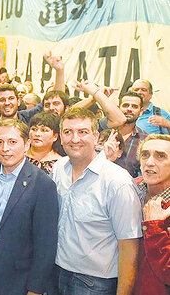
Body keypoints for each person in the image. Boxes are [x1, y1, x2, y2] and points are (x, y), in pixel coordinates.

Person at [50, 108, 142, 295]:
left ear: (96, 135)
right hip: (57, 271)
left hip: (95, 283)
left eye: (83, 132)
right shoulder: (58, 168)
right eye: (68, 132)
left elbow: (129, 246)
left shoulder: (117, 182)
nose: (75, 139)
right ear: (60, 137)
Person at [0, 118, 59, 295]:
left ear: (26, 144)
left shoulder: (42, 185)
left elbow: (45, 244)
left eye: (12, 142)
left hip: (20, 278)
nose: (5, 148)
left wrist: (36, 288)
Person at [133, 134, 170, 295]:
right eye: (145, 154)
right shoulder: (130, 187)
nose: (149, 162)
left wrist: (154, 227)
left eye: (160, 156)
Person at [99, 92, 147, 177]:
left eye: (134, 106)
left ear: (141, 111)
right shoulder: (101, 131)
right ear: (118, 108)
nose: (129, 109)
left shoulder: (145, 140)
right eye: (125, 105)